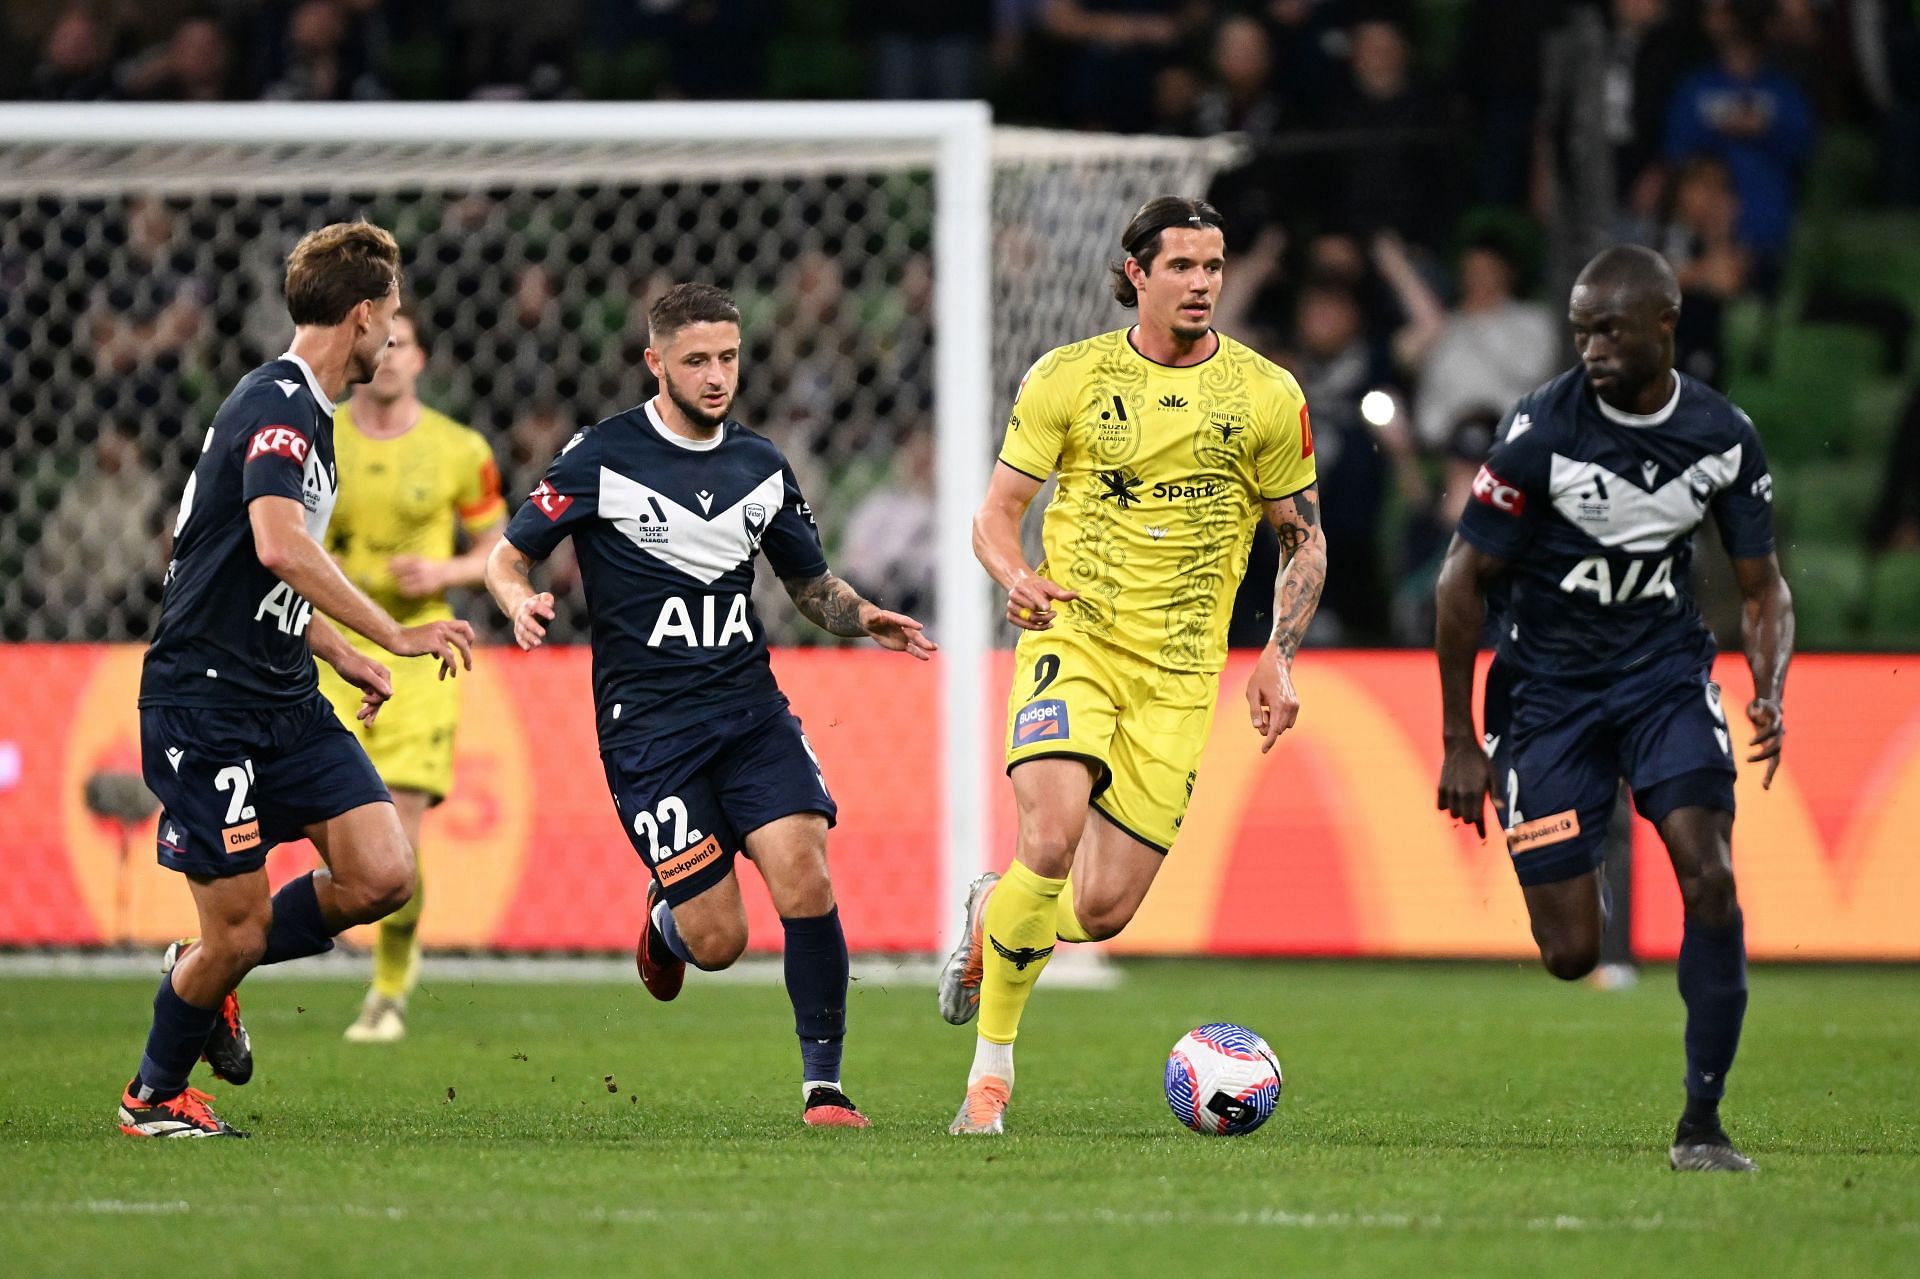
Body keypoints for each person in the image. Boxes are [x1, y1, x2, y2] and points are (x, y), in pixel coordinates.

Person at [484, 283, 935, 1128]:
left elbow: (809, 585)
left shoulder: (760, 464)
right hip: (650, 734)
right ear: (655, 362)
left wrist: (860, 613)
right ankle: (668, 919)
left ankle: (824, 1088)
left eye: (728, 356)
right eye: (697, 360)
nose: (717, 374)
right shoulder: (601, 456)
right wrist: (517, 601)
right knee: (719, 940)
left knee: (805, 867)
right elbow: (508, 556)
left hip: (749, 712)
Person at [940, 196, 1326, 1135]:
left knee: (1102, 910)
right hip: (1075, 639)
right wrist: (1017, 575)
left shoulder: (1267, 395)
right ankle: (989, 1081)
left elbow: (1304, 540)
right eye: (1182, 267)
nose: (1202, 283)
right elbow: (995, 514)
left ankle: (996, 911)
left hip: (1182, 674)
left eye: (1214, 266)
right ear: (1137, 275)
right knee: (1050, 833)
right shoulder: (1069, 379)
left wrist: (1277, 654)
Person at [1433, 244, 1792, 1173]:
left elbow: (1763, 587)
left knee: (1707, 873)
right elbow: (1459, 583)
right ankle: (1560, 832)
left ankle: (1702, 1123)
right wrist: (1459, 739)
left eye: (1608, 329)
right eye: (1580, 329)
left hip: (1662, 676)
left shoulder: (1721, 436)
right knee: (1568, 952)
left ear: (1664, 327)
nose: (1589, 346)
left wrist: (1772, 686)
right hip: (1546, 691)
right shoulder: (1539, 434)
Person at [119, 222, 476, 1139]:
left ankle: (204, 974)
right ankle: (154, 1094)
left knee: (383, 871)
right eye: (389, 321)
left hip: (284, 693)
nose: (391, 338)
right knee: (234, 933)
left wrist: (339, 651)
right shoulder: (278, 406)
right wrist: (391, 631)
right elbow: (280, 544)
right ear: (360, 316)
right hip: (208, 704)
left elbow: (257, 570)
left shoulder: (307, 411)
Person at [321, 308, 506, 1043]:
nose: (390, 358)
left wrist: (442, 569)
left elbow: (497, 549)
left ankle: (389, 985)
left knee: (399, 839)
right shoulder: (323, 435)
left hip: (424, 657)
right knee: (337, 837)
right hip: (339, 649)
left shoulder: (460, 449)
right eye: (380, 345)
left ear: (421, 359)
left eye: (403, 346)